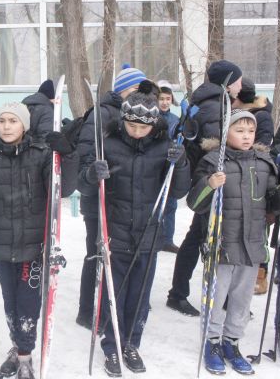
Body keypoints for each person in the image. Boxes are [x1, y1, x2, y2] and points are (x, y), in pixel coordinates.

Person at [0, 101, 78, 379]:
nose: (7, 126)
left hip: (33, 246)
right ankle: (18, 347)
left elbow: (62, 190)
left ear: (24, 125)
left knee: (27, 304)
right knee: (10, 301)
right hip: (1, 244)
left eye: (13, 121)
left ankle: (24, 357)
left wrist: (68, 154)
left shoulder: (41, 154)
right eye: (2, 121)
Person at [80, 80, 190, 376]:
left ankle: (130, 343)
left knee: (139, 296)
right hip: (115, 231)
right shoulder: (108, 144)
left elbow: (178, 191)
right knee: (114, 294)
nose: (138, 131)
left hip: (148, 234)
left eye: (144, 127)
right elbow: (84, 184)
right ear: (123, 120)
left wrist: (180, 164)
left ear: (154, 125)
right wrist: (92, 173)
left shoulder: (164, 147)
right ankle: (111, 346)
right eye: (132, 125)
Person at [186, 108, 280, 375]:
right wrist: (209, 184)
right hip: (221, 244)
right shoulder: (212, 161)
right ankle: (212, 342)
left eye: (251, 131)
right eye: (239, 131)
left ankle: (232, 342)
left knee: (242, 300)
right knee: (216, 298)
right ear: (225, 133)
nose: (247, 136)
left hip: (252, 245)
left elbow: (272, 205)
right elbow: (195, 203)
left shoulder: (264, 163)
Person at [167, 59, 243, 317]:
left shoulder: (211, 101)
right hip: (211, 181)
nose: (241, 85)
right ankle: (179, 294)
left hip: (208, 179)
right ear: (227, 82)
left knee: (200, 237)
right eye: (237, 80)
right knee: (201, 238)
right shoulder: (215, 105)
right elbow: (218, 146)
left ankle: (198, 294)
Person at [75, 64, 147, 329]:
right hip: (99, 199)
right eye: (135, 88)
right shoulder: (103, 113)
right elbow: (85, 154)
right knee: (96, 254)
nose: (140, 94)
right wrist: (95, 173)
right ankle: (88, 311)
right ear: (122, 90)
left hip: (122, 201)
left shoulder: (136, 113)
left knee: (113, 258)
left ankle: (110, 307)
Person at [232, 77, 275, 295]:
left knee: (259, 230)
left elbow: (267, 144)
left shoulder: (262, 116)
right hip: (239, 173)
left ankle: (260, 273)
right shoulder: (235, 114)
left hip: (258, 174)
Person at [157, 80, 181, 254]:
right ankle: (154, 238)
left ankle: (167, 240)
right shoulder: (151, 117)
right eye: (161, 98)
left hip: (170, 167)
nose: (165, 102)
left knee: (171, 205)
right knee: (155, 204)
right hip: (155, 167)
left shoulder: (175, 120)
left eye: (168, 98)